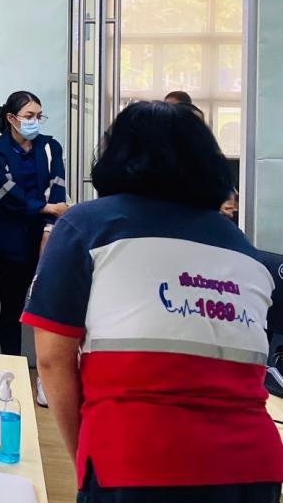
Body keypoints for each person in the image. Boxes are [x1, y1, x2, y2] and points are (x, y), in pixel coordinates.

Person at [23, 101, 283, 502]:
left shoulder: (87, 226)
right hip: (254, 468)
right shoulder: (241, 245)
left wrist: (86, 463)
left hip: (138, 461)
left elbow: (53, 359)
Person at [0, 91, 68, 360]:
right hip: (10, 240)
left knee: (48, 307)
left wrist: (48, 227)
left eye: (39, 116)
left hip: (45, 237)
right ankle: (10, 364)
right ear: (11, 118)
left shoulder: (50, 147)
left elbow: (57, 189)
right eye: (29, 116)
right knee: (11, 307)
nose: (35, 121)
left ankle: (49, 369)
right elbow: (8, 195)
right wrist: (47, 208)